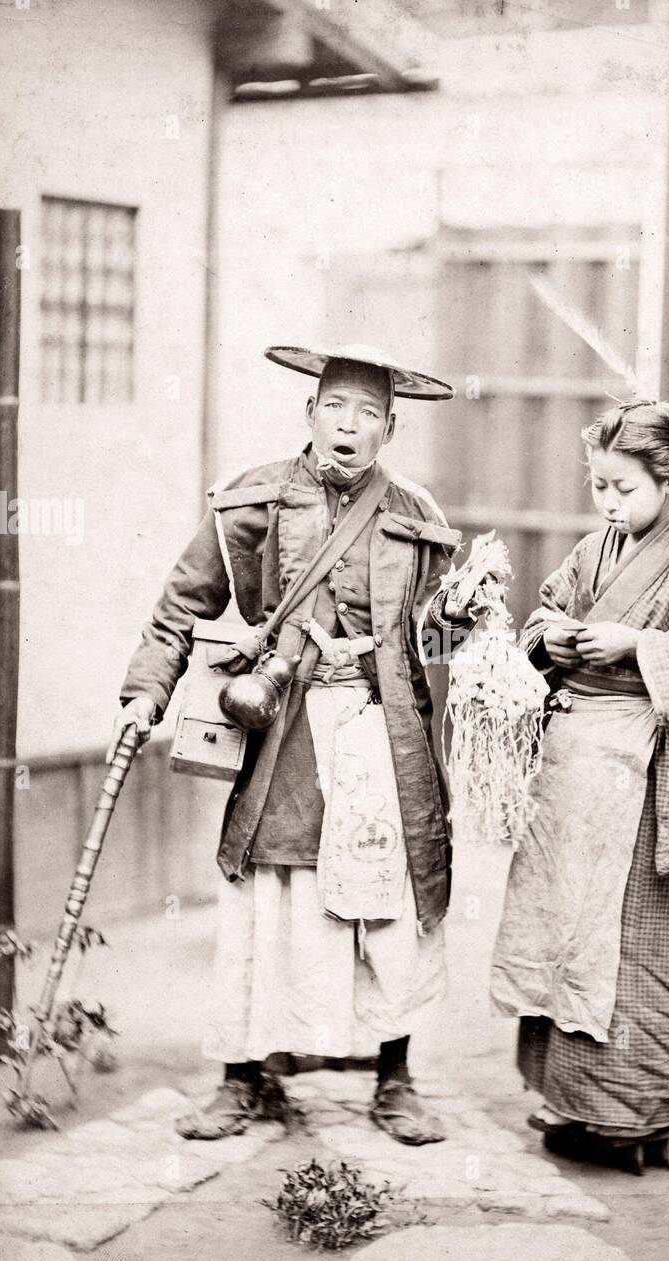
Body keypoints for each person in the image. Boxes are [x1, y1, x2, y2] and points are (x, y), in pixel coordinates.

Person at [110, 343, 477, 1144]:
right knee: (268, 896)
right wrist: (147, 691)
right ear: (307, 414)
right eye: (335, 409)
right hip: (281, 728)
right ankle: (244, 1079)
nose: (349, 427)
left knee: (389, 895)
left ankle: (394, 1079)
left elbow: (433, 640)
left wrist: (464, 618)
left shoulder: (418, 516)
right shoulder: (252, 502)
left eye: (369, 415)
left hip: (383, 735)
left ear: (391, 428)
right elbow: (180, 606)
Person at [490, 397, 669, 1168]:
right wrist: (553, 637)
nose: (608, 503)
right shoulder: (594, 550)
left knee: (632, 942)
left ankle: (635, 1118)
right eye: (598, 486)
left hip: (642, 774)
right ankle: (570, 1106)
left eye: (624, 488)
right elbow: (541, 613)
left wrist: (637, 643)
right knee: (563, 930)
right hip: (575, 771)